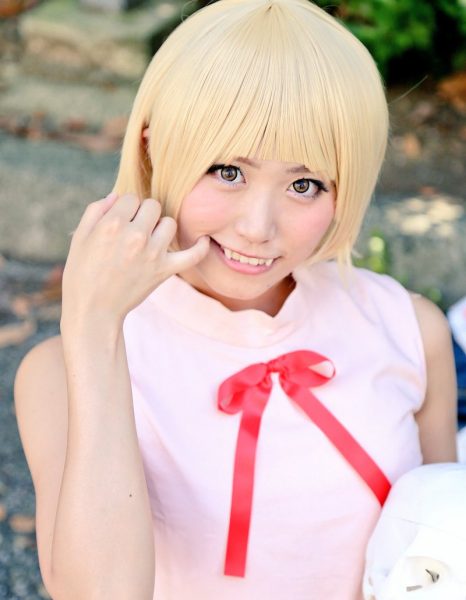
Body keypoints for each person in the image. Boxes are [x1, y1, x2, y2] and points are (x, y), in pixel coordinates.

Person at [13, 0, 458, 598]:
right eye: (227, 171)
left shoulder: (409, 329)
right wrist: (94, 329)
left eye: (305, 184)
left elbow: (440, 547)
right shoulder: (60, 371)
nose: (257, 227)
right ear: (150, 148)